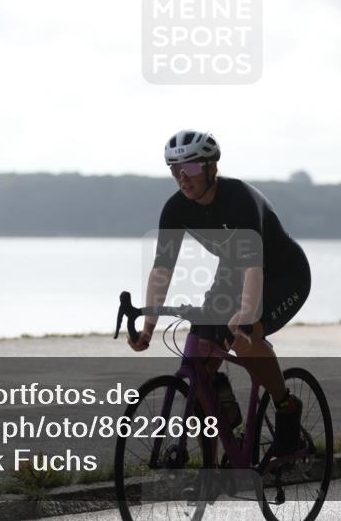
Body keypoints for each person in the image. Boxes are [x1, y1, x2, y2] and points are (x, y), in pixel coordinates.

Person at [128, 129, 312, 455]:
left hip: (283, 275)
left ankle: (286, 405)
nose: (183, 177)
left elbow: (254, 269)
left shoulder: (240, 200)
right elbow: (162, 270)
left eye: (191, 168)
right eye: (175, 170)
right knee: (199, 362)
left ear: (212, 167)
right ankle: (212, 464)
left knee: (244, 337)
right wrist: (148, 327)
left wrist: (246, 317)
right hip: (233, 274)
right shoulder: (176, 208)